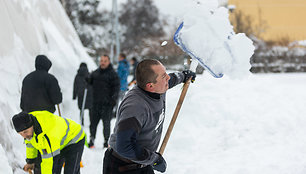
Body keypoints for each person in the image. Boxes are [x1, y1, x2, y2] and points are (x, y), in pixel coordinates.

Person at [104, 59, 196, 174]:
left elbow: (171, 79)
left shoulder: (159, 87)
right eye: (163, 76)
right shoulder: (135, 107)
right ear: (150, 86)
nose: (167, 77)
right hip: (123, 166)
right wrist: (154, 159)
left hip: (143, 161)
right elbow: (124, 146)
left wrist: (184, 75)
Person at [20, 55, 62, 174]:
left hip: (29, 118)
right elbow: (57, 98)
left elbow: (22, 101)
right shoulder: (50, 79)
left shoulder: (27, 78)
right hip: (46, 118)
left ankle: (37, 167)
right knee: (47, 145)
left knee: (34, 143)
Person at [12, 111, 85, 174]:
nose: (24, 136)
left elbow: (49, 161)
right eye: (21, 134)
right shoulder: (28, 127)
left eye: (25, 132)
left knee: (71, 171)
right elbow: (30, 145)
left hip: (74, 139)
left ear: (32, 125)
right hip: (59, 142)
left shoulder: (47, 134)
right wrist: (31, 161)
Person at [87, 55, 120, 148]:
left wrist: (113, 100)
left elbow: (116, 89)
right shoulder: (96, 73)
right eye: (101, 60)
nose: (102, 62)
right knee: (93, 123)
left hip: (107, 104)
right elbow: (90, 81)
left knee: (106, 124)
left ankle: (106, 141)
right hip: (95, 103)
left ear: (109, 62)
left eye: (105, 61)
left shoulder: (113, 74)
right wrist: (88, 78)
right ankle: (92, 139)